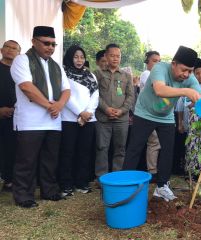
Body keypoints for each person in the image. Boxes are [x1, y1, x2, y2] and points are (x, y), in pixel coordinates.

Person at [123, 46, 201, 202]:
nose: (186, 75)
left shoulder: (189, 78)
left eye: (190, 71)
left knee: (168, 150)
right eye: (183, 70)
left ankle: (162, 186)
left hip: (166, 116)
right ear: (173, 64)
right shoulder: (160, 68)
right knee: (134, 148)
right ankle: (126, 184)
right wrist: (186, 92)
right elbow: (160, 90)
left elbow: (198, 98)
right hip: (144, 112)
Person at [10, 26, 71, 208]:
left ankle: (49, 191)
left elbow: (66, 90)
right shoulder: (22, 60)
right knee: (26, 161)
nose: (50, 47)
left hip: (53, 122)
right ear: (34, 41)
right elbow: (26, 87)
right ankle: (23, 196)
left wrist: (59, 105)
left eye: (53, 44)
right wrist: (50, 105)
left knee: (50, 159)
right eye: (46, 43)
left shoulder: (56, 65)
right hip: (29, 121)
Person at [58, 45, 99, 197]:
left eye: (82, 57)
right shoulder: (63, 72)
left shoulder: (90, 75)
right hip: (69, 119)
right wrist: (80, 112)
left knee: (84, 152)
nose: (79, 60)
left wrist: (88, 112)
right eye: (76, 57)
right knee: (68, 152)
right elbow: (64, 95)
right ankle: (66, 185)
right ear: (69, 57)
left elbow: (95, 95)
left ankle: (81, 183)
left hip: (88, 119)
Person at [94, 43, 134, 180]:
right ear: (105, 56)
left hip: (121, 119)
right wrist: (106, 109)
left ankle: (117, 177)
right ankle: (102, 178)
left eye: (118, 56)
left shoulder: (126, 75)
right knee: (101, 148)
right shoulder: (97, 73)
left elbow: (130, 96)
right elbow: (94, 94)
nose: (115, 59)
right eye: (112, 56)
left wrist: (121, 110)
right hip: (103, 118)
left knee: (120, 148)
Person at [0, 40, 21, 192]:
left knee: (13, 149)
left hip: (17, 117)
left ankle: (9, 180)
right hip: (0, 115)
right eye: (7, 47)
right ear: (1, 49)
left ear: (19, 53)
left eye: (14, 48)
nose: (10, 50)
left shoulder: (21, 73)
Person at [139, 51, 161, 175]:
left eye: (159, 61)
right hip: (147, 114)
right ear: (147, 61)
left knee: (155, 142)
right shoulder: (146, 74)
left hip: (155, 113)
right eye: (154, 60)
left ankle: (154, 169)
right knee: (154, 142)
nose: (157, 63)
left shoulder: (155, 75)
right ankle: (152, 171)